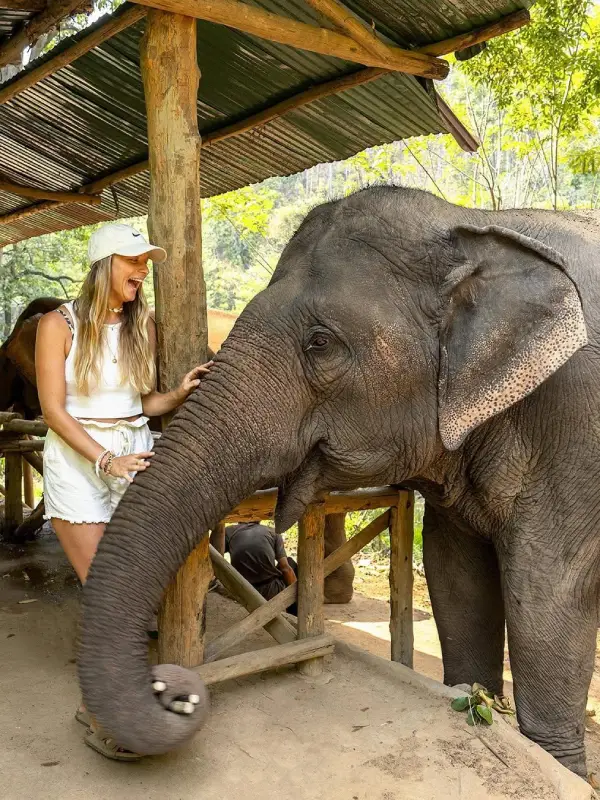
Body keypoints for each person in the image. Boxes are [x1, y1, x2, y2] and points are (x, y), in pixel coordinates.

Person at [35, 222, 211, 760]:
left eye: (145, 262)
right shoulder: (57, 323)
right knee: (106, 591)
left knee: (131, 591)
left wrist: (175, 395)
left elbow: (141, 404)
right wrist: (105, 460)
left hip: (132, 457)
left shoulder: (142, 325)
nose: (142, 270)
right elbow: (53, 411)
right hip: (79, 464)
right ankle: (104, 712)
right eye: (134, 261)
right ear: (104, 263)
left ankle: (121, 698)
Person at [223, 522, 298, 614]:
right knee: (290, 564)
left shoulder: (229, 531)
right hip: (270, 589)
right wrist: (298, 596)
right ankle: (295, 611)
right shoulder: (272, 532)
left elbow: (216, 554)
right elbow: (285, 568)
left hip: (242, 587)